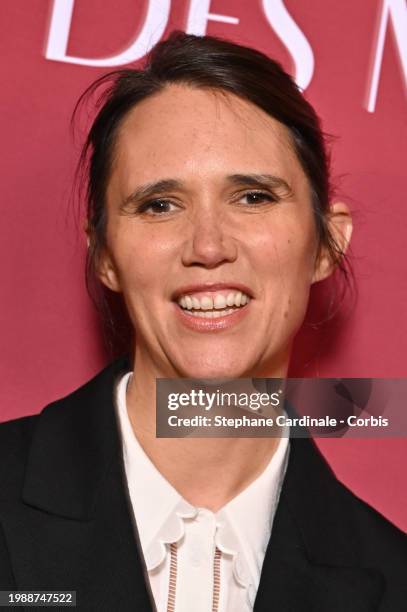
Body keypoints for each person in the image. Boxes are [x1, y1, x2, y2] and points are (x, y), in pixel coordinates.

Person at [0, 31, 406, 612]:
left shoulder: (392, 581)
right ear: (105, 255)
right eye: (160, 205)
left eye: (253, 197)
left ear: (327, 244)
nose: (208, 246)